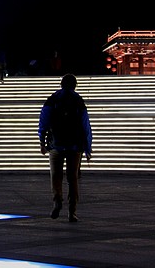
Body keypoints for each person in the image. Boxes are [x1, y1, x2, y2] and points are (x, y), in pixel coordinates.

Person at [38, 73, 92, 222]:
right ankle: (72, 211)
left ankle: (57, 201)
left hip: (56, 144)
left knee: (55, 175)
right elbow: (85, 124)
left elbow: (43, 121)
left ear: (61, 84)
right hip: (75, 146)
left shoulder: (53, 99)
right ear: (75, 85)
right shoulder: (78, 100)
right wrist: (88, 147)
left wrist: (42, 142)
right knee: (72, 178)